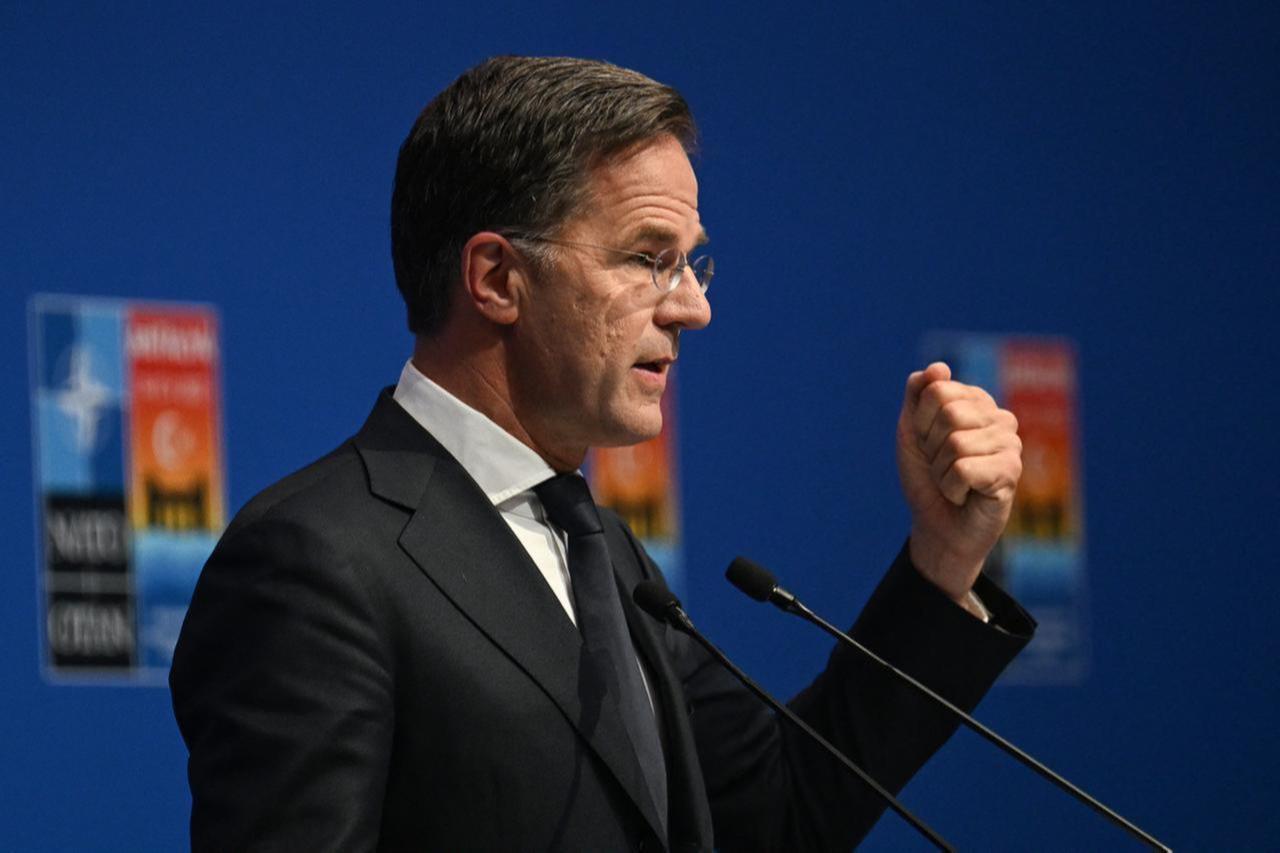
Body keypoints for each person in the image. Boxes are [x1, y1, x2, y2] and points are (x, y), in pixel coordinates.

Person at [170, 55, 1034, 852]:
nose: (692, 307)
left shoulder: (606, 553)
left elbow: (780, 811)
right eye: (648, 260)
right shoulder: (316, 559)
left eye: (693, 265)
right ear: (498, 279)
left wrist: (944, 560)